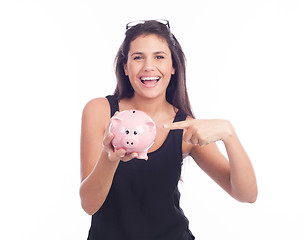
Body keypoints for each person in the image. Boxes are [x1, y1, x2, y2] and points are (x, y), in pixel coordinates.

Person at [79, 20, 257, 240]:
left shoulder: (184, 128)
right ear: (125, 67)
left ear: (173, 66)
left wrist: (229, 134)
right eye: (138, 57)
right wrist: (110, 158)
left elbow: (247, 194)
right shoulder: (100, 111)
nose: (148, 66)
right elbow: (89, 204)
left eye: (159, 56)